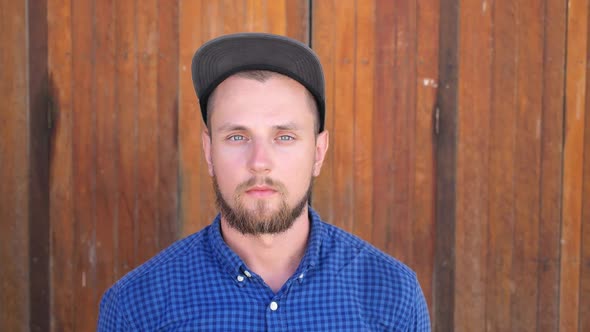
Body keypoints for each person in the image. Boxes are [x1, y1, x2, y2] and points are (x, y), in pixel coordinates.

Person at [98, 32, 431, 331]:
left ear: (318, 152)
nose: (259, 162)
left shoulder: (392, 295)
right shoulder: (135, 308)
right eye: (237, 137)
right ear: (208, 150)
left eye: (284, 137)